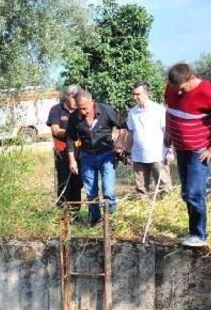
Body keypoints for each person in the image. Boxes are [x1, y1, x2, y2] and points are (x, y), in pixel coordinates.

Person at [165, 63, 211, 247]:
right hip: (181, 149)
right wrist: (168, 132)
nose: (178, 92)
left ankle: (199, 235)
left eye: (182, 88)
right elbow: (171, 109)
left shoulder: (209, 92)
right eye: (175, 88)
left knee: (194, 193)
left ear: (191, 78)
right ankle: (193, 232)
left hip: (199, 151)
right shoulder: (172, 86)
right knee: (186, 193)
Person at [66, 90, 127, 226]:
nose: (81, 112)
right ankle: (95, 220)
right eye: (78, 108)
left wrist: (120, 140)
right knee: (91, 192)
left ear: (92, 102)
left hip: (106, 154)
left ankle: (111, 220)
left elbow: (122, 125)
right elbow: (70, 139)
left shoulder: (106, 110)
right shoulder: (74, 117)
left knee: (108, 190)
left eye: (84, 108)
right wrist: (72, 160)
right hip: (87, 156)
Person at [126, 81, 174, 196]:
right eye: (133, 94)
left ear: (147, 93)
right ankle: (144, 210)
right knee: (141, 188)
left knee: (164, 186)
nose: (135, 97)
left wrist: (170, 151)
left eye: (138, 94)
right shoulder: (132, 112)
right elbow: (131, 133)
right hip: (138, 156)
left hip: (158, 155)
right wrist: (128, 152)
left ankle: (165, 211)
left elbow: (167, 132)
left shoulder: (159, 109)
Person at [46, 84, 83, 214]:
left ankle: (76, 215)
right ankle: (63, 216)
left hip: (78, 152)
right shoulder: (56, 109)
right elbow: (55, 130)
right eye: (74, 98)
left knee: (77, 183)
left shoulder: (81, 109)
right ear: (67, 96)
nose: (77, 101)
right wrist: (71, 133)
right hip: (62, 152)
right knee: (64, 183)